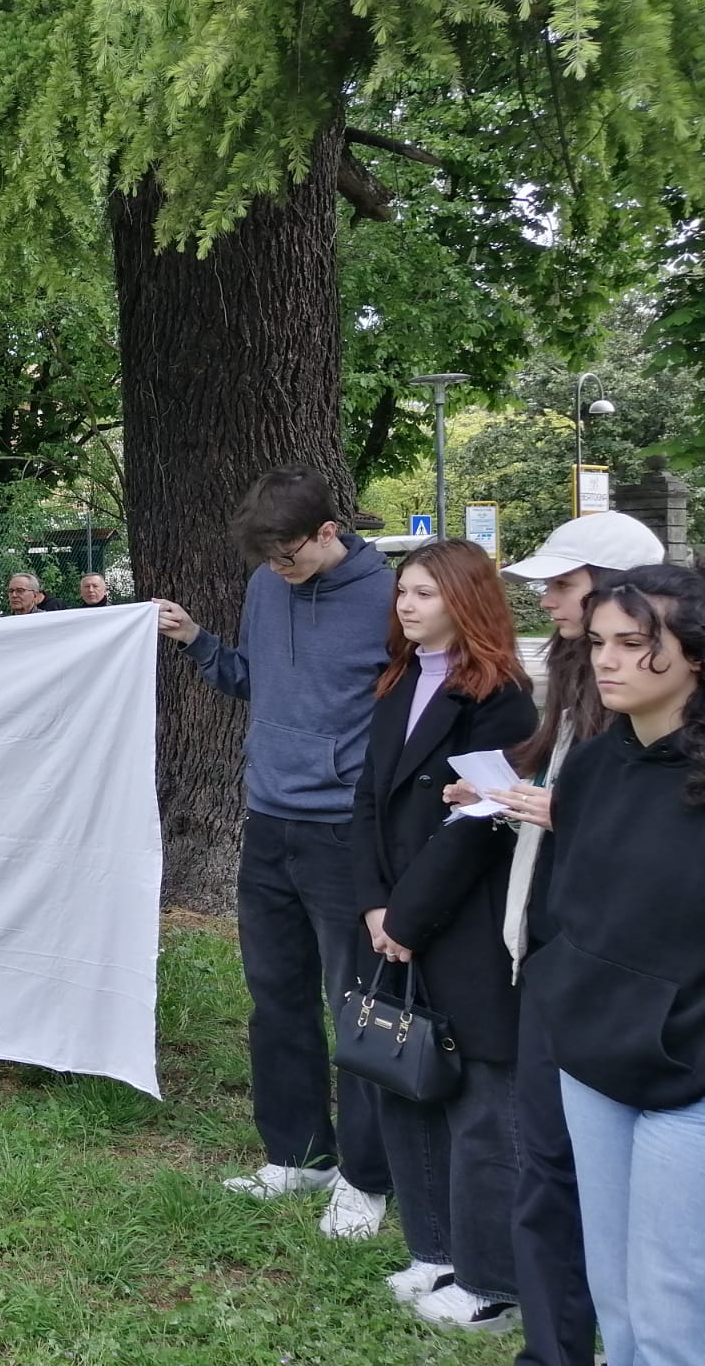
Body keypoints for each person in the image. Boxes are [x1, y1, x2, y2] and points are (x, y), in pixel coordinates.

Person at [155, 466, 395, 1238]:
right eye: (267, 562)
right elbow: (254, 679)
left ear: (330, 532)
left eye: (288, 556)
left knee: (355, 1004)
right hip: (269, 818)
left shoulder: (391, 599)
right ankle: (298, 1155)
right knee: (276, 994)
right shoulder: (268, 585)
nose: (278, 571)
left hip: (343, 832)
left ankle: (365, 1176)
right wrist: (195, 640)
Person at [474, 512, 664, 1366]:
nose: (546, 600)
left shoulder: (656, 719)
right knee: (547, 1166)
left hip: (642, 993)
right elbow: (559, 779)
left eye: (563, 584)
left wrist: (570, 811)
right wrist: (513, 789)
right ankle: (553, 1350)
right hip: (553, 949)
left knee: (640, 1220)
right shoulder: (577, 680)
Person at [351, 541, 537, 1331]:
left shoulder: (503, 697)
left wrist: (408, 919)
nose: (407, 605)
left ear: (465, 599)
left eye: (424, 592)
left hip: (461, 925)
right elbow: (366, 801)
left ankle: (490, 1280)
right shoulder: (396, 681)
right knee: (405, 1074)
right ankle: (432, 1251)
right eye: (403, 592)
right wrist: (372, 907)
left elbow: (477, 825)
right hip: (391, 917)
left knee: (481, 1104)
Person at [525, 564, 705, 1366]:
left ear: (696, 656)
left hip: (689, 1083)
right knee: (619, 1302)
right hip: (593, 1062)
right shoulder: (593, 766)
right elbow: (574, 909)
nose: (609, 660)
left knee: (674, 1313)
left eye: (637, 644)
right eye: (600, 642)